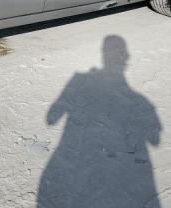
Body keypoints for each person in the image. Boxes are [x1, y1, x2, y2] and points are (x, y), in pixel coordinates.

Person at [38, 35, 162, 208]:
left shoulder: (79, 80)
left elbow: (51, 118)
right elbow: (155, 141)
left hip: (78, 159)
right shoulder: (141, 101)